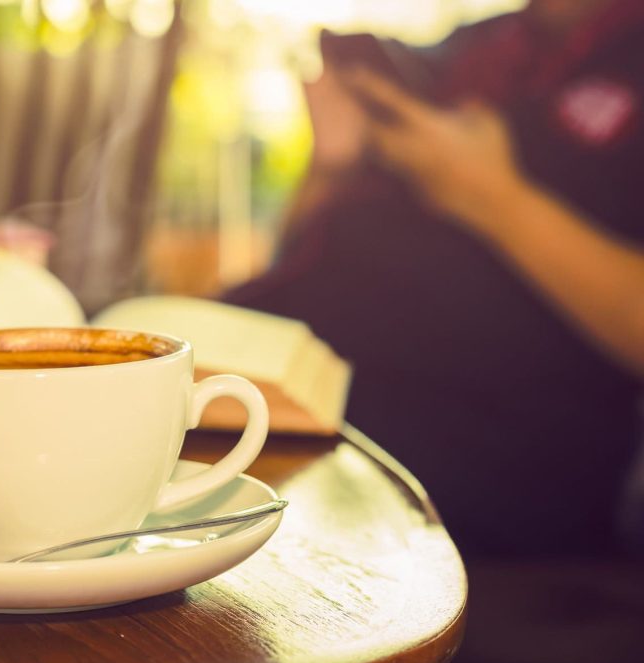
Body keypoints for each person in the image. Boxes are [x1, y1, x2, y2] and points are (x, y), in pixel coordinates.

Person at [223, 0, 644, 556]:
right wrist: (332, 164)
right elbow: (298, 253)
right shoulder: (475, 50)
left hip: (475, 477)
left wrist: (495, 198)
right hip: (293, 397)